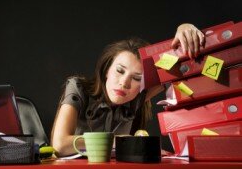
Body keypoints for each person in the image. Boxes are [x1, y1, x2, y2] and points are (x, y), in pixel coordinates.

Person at [51, 23, 205, 157]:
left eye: (137, 78)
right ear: (106, 70)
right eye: (119, 70)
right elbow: (60, 144)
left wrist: (184, 28)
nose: (124, 83)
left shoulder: (136, 97)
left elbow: (183, 67)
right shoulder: (78, 88)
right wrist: (123, 142)